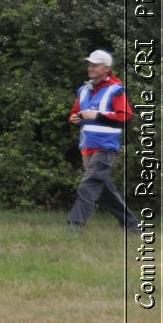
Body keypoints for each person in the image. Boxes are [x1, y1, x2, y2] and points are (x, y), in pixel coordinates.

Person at [66, 49, 143, 233]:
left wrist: (97, 115)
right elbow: (74, 112)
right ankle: (133, 226)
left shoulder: (116, 91)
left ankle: (74, 227)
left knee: (88, 185)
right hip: (87, 148)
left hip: (106, 148)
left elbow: (125, 117)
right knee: (104, 192)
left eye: (95, 65)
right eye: (90, 64)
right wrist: (74, 118)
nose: (90, 68)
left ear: (106, 68)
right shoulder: (83, 90)